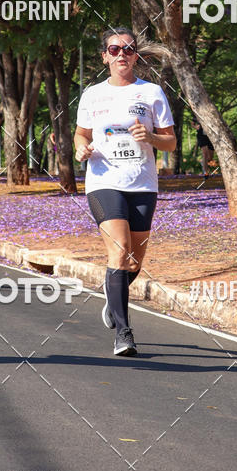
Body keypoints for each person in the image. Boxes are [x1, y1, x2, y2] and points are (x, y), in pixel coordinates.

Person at [74, 27, 176, 356]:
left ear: (136, 56)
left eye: (128, 50)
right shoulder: (92, 94)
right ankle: (124, 332)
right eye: (115, 49)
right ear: (105, 56)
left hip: (143, 184)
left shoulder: (152, 93)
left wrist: (150, 138)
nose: (122, 55)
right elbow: (81, 135)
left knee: (134, 262)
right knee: (119, 253)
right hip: (103, 181)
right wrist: (81, 149)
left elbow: (170, 142)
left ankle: (112, 297)